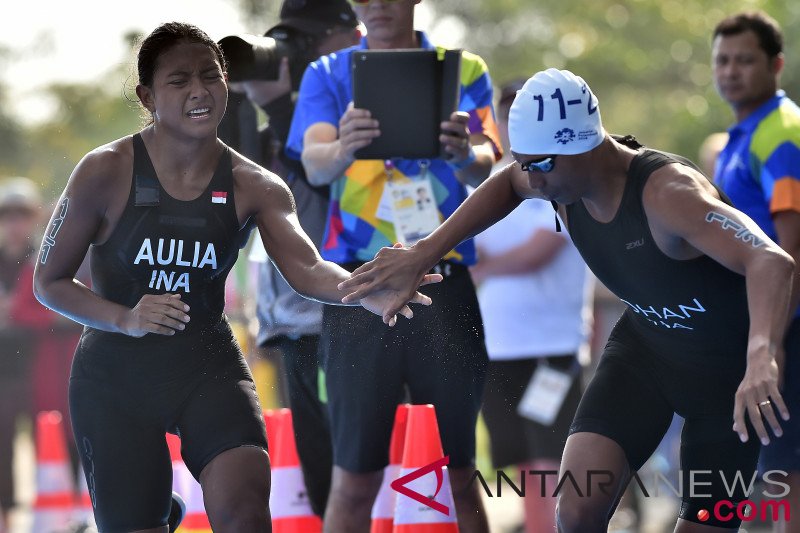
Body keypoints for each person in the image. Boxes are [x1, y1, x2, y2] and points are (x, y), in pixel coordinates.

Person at [338, 68, 797, 532]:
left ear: (586, 145)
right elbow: (506, 183)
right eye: (524, 163)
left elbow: (771, 261)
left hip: (730, 373)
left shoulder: (668, 194)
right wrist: (423, 253)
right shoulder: (554, 175)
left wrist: (763, 353)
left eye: (540, 165)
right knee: (576, 511)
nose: (533, 182)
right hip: (648, 353)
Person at [31, 22, 435, 533]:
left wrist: (364, 292)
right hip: (115, 377)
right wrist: (126, 318)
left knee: (245, 510)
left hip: (207, 368)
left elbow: (307, 268)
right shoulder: (104, 170)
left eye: (210, 76)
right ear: (148, 95)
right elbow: (50, 282)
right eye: (179, 80)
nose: (199, 90)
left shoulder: (256, 184)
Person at [285, 0, 502, 530]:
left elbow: (491, 162)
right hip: (359, 286)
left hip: (442, 280)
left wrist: (460, 153)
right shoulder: (329, 72)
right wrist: (343, 148)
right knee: (355, 476)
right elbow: (312, 160)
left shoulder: (463, 68)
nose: (377, 5)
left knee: (457, 472)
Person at [235, 0, 362, 517]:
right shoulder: (274, 123)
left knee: (353, 464)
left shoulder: (355, 105)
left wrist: (285, 107)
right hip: (292, 321)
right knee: (316, 466)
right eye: (294, 43)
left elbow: (320, 179)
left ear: (348, 36)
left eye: (311, 41)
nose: (302, 54)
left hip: (345, 310)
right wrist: (243, 102)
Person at [469, 80, 594, 533]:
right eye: (506, 115)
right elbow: (468, 252)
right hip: (497, 345)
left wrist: (485, 267)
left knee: (552, 455)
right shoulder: (492, 184)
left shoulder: (559, 178)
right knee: (516, 456)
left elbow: (540, 249)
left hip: (551, 345)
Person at [711, 11, 800, 531]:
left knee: (787, 469)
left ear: (776, 65)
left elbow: (791, 244)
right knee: (771, 468)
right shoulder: (745, 133)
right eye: (722, 60)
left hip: (786, 327)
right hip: (759, 327)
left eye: (745, 60)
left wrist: (774, 339)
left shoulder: (781, 132)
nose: (731, 71)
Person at [0, 177, 41, 532]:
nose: (14, 223)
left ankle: (55, 514)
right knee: (2, 446)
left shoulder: (47, 257)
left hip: (42, 367)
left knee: (51, 440)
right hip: (4, 369)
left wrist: (17, 311)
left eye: (22, 214)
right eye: (6, 215)